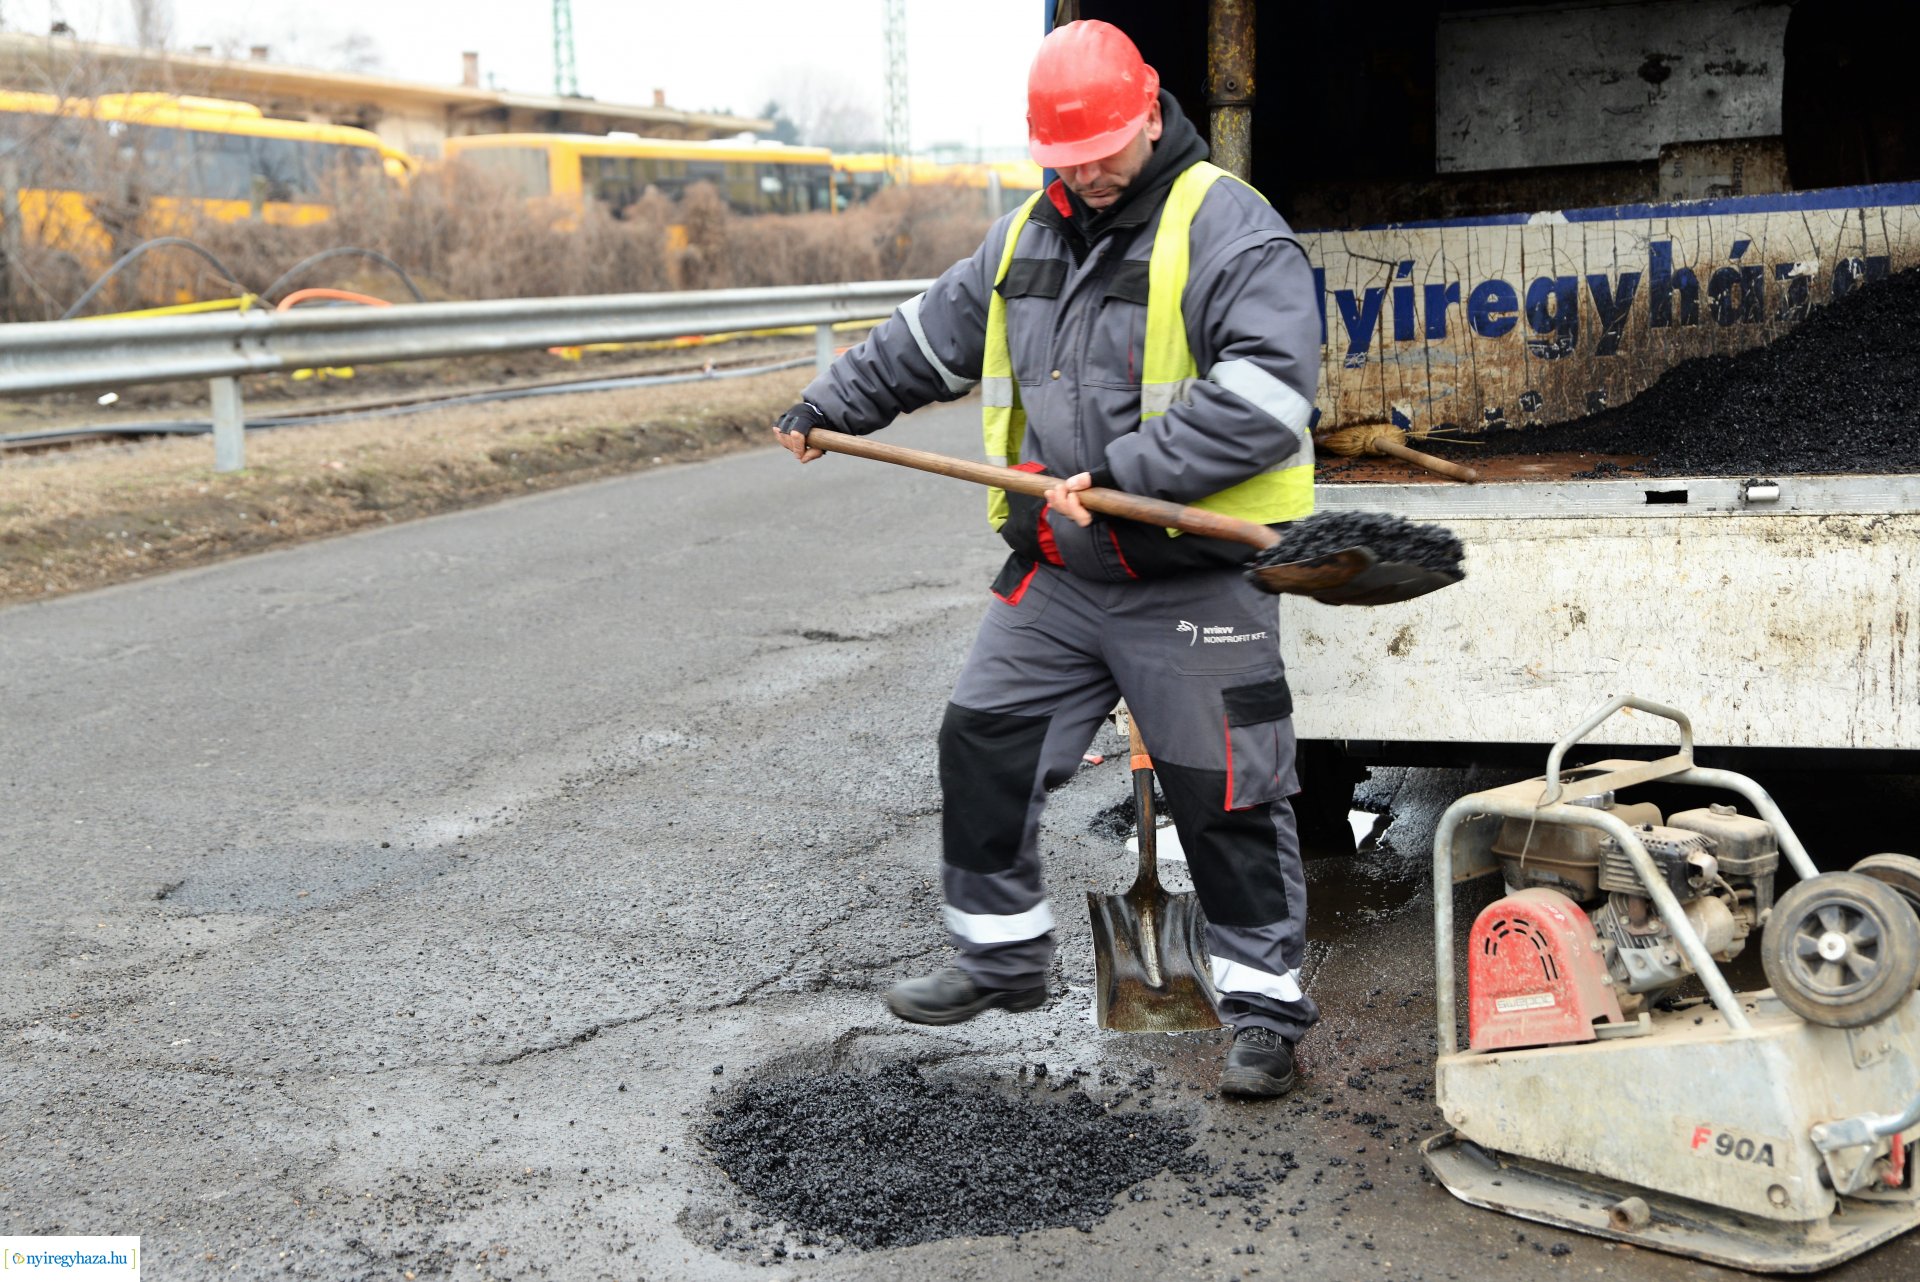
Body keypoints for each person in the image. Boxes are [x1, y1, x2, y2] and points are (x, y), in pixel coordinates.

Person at [773, 19, 1320, 1098]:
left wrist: (1128, 466)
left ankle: (1262, 1009)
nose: (1087, 173)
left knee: (1232, 798)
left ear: (1151, 111)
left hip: (1190, 573)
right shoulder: (1027, 232)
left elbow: (1265, 398)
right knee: (983, 740)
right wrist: (829, 401)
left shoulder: (1229, 228)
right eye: (1064, 158)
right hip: (1063, 572)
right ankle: (1003, 954)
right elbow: (928, 337)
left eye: (1104, 150)